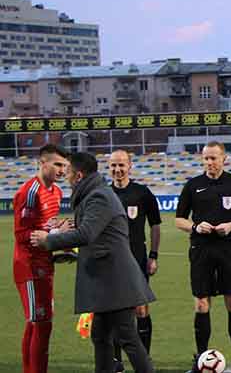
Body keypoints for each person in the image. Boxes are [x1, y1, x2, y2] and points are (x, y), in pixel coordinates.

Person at [30, 152, 155, 373]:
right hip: (107, 279)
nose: (64, 176)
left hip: (115, 280)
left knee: (127, 337)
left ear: (78, 175)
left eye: (67, 171)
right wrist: (73, 253)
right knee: (100, 335)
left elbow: (87, 234)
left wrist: (49, 240)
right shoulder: (95, 194)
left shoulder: (98, 196)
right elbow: (99, 239)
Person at [175, 141, 231, 373]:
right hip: (200, 250)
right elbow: (179, 219)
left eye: (213, 158)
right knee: (201, 304)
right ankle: (200, 359)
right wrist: (194, 227)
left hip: (228, 249)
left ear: (224, 159)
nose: (209, 162)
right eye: (206, 159)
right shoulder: (193, 186)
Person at [13, 144, 70, 373]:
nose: (62, 170)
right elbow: (22, 234)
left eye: (65, 166)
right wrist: (55, 235)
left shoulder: (56, 192)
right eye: (57, 164)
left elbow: (46, 229)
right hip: (29, 266)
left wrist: (58, 235)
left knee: (36, 322)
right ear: (42, 163)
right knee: (41, 323)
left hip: (45, 263)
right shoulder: (29, 192)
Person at [108, 149, 163, 371]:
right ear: (108, 167)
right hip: (110, 263)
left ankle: (144, 358)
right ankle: (116, 361)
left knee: (141, 310)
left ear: (130, 166)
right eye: (113, 165)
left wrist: (153, 255)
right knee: (113, 312)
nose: (117, 169)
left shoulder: (142, 193)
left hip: (138, 260)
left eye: (121, 165)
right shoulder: (103, 194)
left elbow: (155, 225)